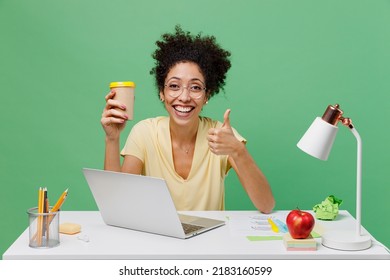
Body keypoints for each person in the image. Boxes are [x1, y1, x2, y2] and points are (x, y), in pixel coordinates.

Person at [101, 26, 275, 213]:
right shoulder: (145, 133)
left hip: (211, 240)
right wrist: (112, 139)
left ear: (207, 95)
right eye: (174, 86)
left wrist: (238, 151)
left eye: (195, 87)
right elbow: (118, 204)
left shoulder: (221, 136)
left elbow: (266, 205)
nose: (184, 97)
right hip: (158, 239)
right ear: (162, 92)